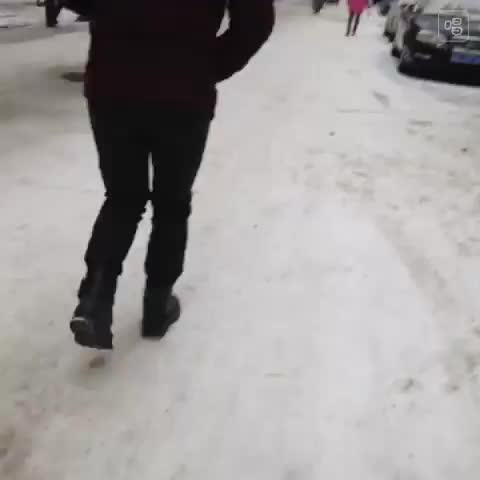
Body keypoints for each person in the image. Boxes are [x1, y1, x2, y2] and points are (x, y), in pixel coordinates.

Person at [64, 0, 275, 350]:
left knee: (123, 197)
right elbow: (255, 21)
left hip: (113, 83)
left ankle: (95, 300)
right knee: (171, 203)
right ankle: (157, 307)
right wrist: (206, 65)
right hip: (184, 92)